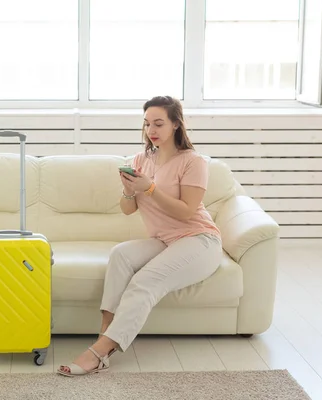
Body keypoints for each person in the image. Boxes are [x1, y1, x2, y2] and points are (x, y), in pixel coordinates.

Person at [57, 95, 223, 377]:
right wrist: (129, 190)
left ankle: (97, 354)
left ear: (176, 125)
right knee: (121, 254)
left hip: (199, 240)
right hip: (165, 240)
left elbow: (186, 213)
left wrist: (150, 188)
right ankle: (105, 335)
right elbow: (127, 209)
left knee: (145, 281)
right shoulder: (139, 160)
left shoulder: (193, 162)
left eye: (159, 123)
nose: (152, 130)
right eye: (147, 124)